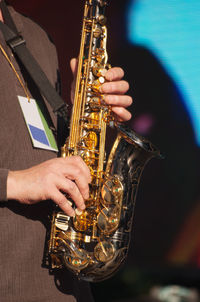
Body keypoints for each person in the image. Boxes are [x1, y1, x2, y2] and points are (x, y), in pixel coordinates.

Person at [0, 1, 133, 302]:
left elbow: (33, 149)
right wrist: (15, 182)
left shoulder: (34, 36)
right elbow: (25, 174)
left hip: (65, 289)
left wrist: (82, 116)